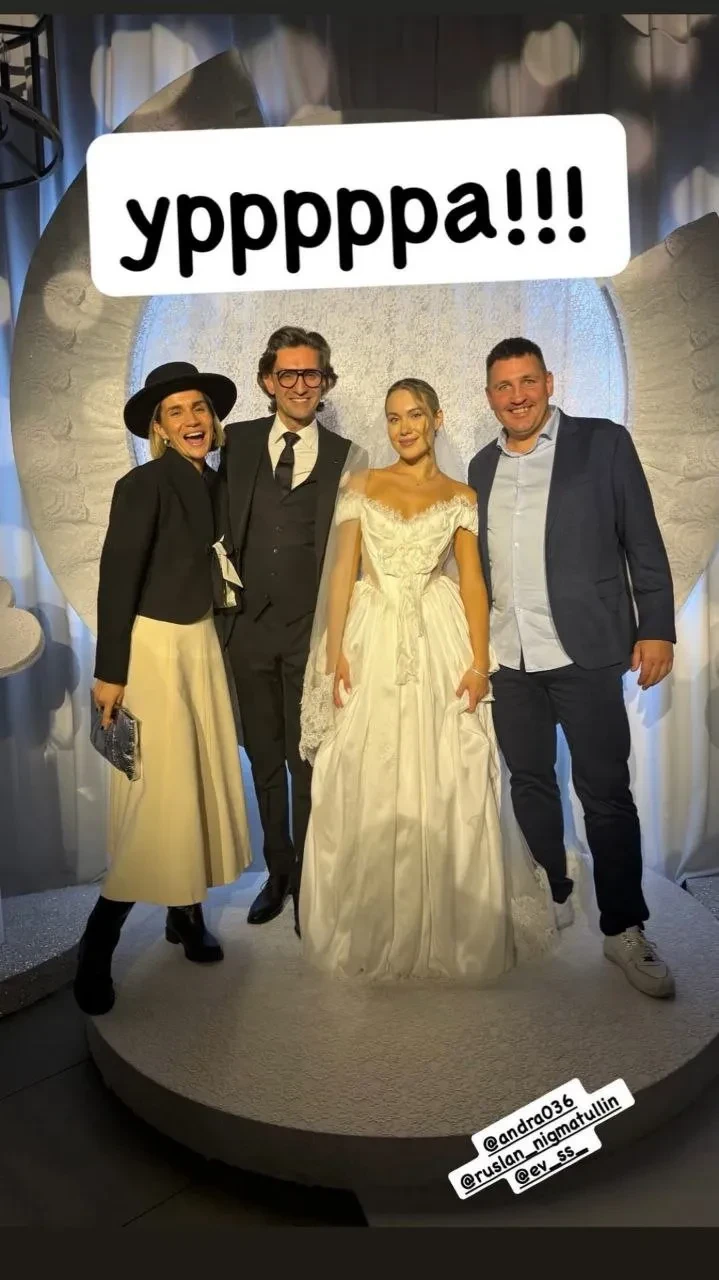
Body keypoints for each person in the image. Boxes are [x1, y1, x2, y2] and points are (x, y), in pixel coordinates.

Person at [297, 378, 557, 981]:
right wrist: (335, 654)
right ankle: (367, 921)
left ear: (437, 419)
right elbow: (341, 573)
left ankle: (454, 925)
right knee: (363, 765)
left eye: (414, 415)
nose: (404, 428)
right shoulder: (361, 485)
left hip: (439, 636)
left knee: (452, 767)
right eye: (393, 418)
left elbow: (472, 581)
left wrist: (478, 663)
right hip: (372, 633)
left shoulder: (461, 495)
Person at [468, 337, 676, 999]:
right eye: (504, 386)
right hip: (510, 657)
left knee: (604, 793)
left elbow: (642, 541)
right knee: (529, 783)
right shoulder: (480, 466)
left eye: (527, 381)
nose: (517, 396)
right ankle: (552, 891)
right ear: (489, 396)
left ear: (549, 382)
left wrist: (657, 627)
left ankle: (624, 928)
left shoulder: (603, 443)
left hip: (584, 650)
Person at [73, 362, 252, 1016]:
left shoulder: (220, 482)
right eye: (176, 411)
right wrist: (110, 671)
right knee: (155, 795)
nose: (191, 419)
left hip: (200, 646)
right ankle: (97, 946)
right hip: (152, 651)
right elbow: (117, 579)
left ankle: (185, 913)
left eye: (198, 407)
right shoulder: (142, 485)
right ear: (159, 428)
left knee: (194, 782)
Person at [218, 326, 362, 936]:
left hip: (312, 635)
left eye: (311, 374)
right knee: (264, 760)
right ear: (267, 381)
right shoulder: (237, 442)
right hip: (247, 632)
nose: (300, 385)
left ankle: (308, 879)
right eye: (288, 374)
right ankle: (277, 873)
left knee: (308, 761)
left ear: (325, 381)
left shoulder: (347, 455)